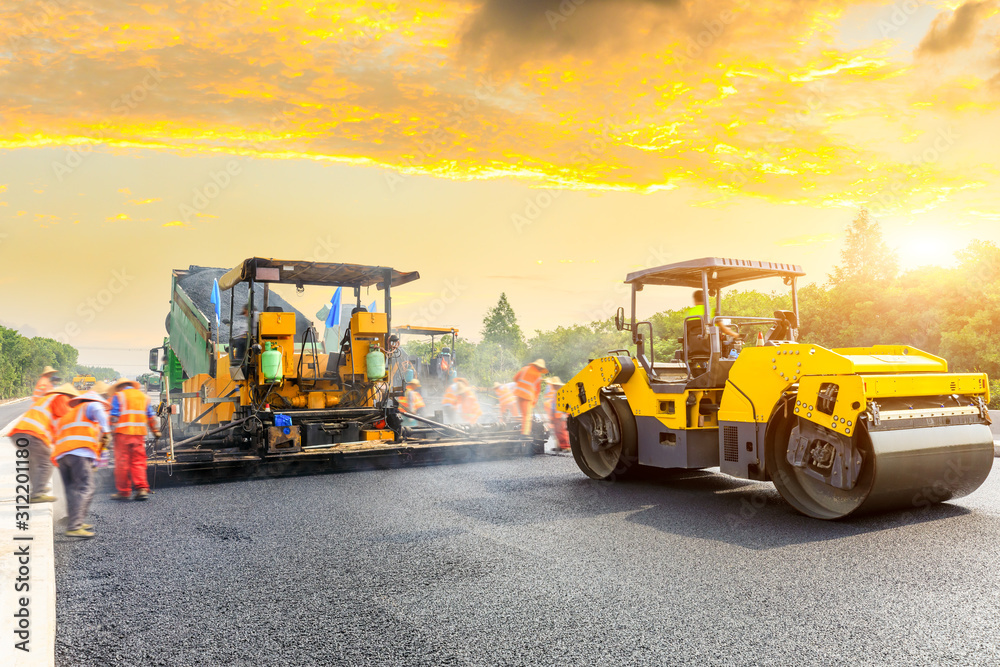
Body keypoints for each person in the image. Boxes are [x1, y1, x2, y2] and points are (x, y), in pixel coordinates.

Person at [52, 382, 112, 538]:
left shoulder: (72, 413)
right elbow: (99, 412)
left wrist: (94, 461)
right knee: (86, 487)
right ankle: (74, 526)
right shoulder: (91, 406)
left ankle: (74, 520)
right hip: (77, 453)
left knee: (71, 489)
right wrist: (106, 432)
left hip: (62, 456)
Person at [8, 383, 79, 503]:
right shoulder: (61, 398)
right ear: (70, 395)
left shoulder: (46, 399)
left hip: (18, 434)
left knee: (32, 462)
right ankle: (38, 493)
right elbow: (68, 418)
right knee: (46, 461)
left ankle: (37, 487)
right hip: (32, 434)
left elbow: (56, 427)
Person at [108, 378, 161, 501]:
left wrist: (110, 433)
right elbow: (150, 416)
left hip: (122, 435)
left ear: (120, 387)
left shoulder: (119, 396)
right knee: (138, 462)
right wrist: (155, 431)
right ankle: (141, 489)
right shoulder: (143, 397)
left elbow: (114, 417)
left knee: (122, 464)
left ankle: (124, 491)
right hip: (138, 435)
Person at [512, 359, 547, 435]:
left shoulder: (525, 368)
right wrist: (534, 402)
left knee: (523, 414)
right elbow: (537, 391)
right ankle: (525, 434)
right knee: (527, 416)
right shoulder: (538, 376)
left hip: (518, 394)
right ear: (540, 368)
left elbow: (515, 378)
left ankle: (523, 431)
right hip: (527, 397)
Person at [545, 377, 570, 451]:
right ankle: (560, 446)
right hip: (556, 417)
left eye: (555, 385)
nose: (554, 386)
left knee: (562, 432)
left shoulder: (562, 394)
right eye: (553, 385)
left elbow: (567, 405)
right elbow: (553, 407)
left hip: (561, 416)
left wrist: (566, 415)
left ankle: (566, 446)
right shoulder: (555, 394)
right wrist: (552, 417)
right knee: (557, 432)